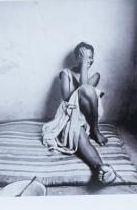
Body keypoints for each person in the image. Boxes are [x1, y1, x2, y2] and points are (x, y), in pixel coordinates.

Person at [41, 42, 118, 185]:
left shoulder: (95, 76)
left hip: (87, 116)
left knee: (88, 90)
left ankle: (95, 130)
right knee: (80, 136)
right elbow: (66, 97)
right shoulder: (66, 73)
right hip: (69, 114)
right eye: (83, 57)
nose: (87, 60)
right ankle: (101, 167)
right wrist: (83, 65)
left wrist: (84, 68)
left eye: (90, 57)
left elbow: (85, 90)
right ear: (77, 58)